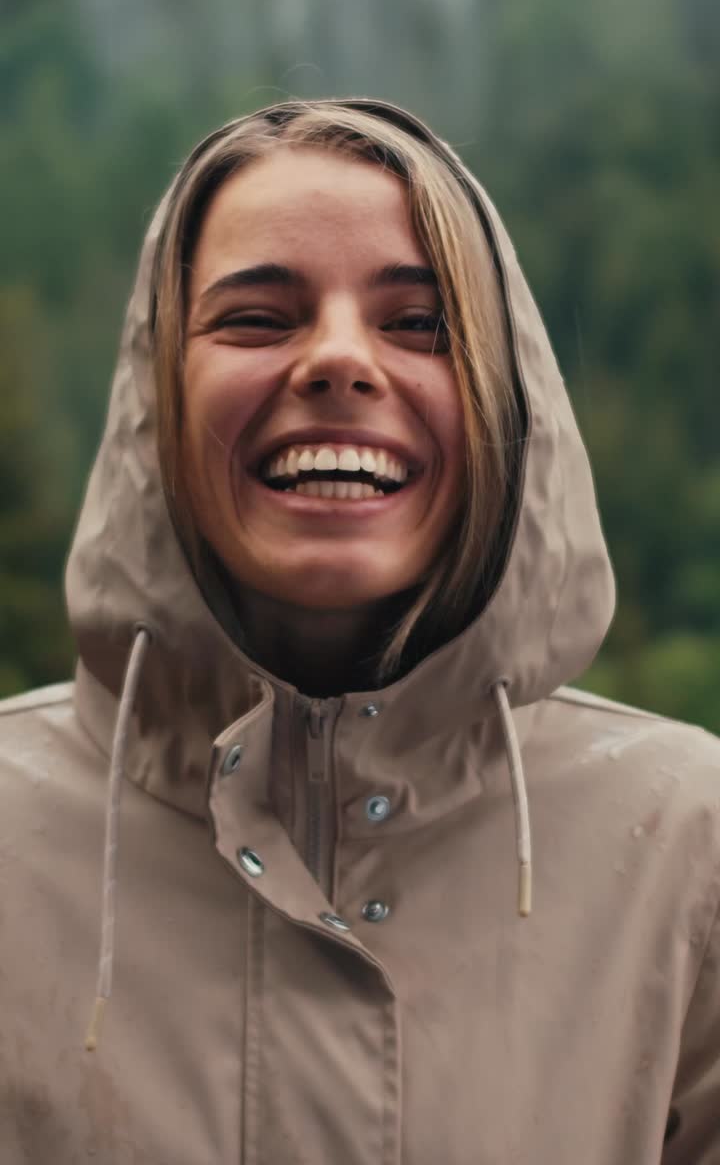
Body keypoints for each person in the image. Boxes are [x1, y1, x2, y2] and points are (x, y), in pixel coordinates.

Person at [0, 98, 718, 1165]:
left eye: (421, 324)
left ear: (504, 398)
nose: (339, 360)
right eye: (257, 318)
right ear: (157, 395)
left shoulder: (690, 845)